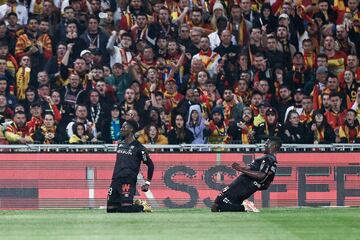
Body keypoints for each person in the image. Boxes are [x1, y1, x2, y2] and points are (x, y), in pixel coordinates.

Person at [211, 136, 282, 212]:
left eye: (267, 143)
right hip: (244, 189)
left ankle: (246, 207)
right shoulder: (273, 163)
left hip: (241, 186)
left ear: (274, 146)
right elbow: (266, 185)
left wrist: (240, 169)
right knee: (218, 207)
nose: (264, 144)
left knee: (217, 205)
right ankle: (245, 207)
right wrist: (255, 186)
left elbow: (261, 175)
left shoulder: (268, 158)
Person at [107, 120, 154, 213]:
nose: (121, 129)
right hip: (115, 180)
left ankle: (142, 207)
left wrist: (147, 183)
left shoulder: (139, 148)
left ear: (131, 129)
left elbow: (150, 165)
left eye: (124, 127)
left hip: (128, 180)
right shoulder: (120, 144)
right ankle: (134, 204)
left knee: (126, 209)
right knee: (111, 210)